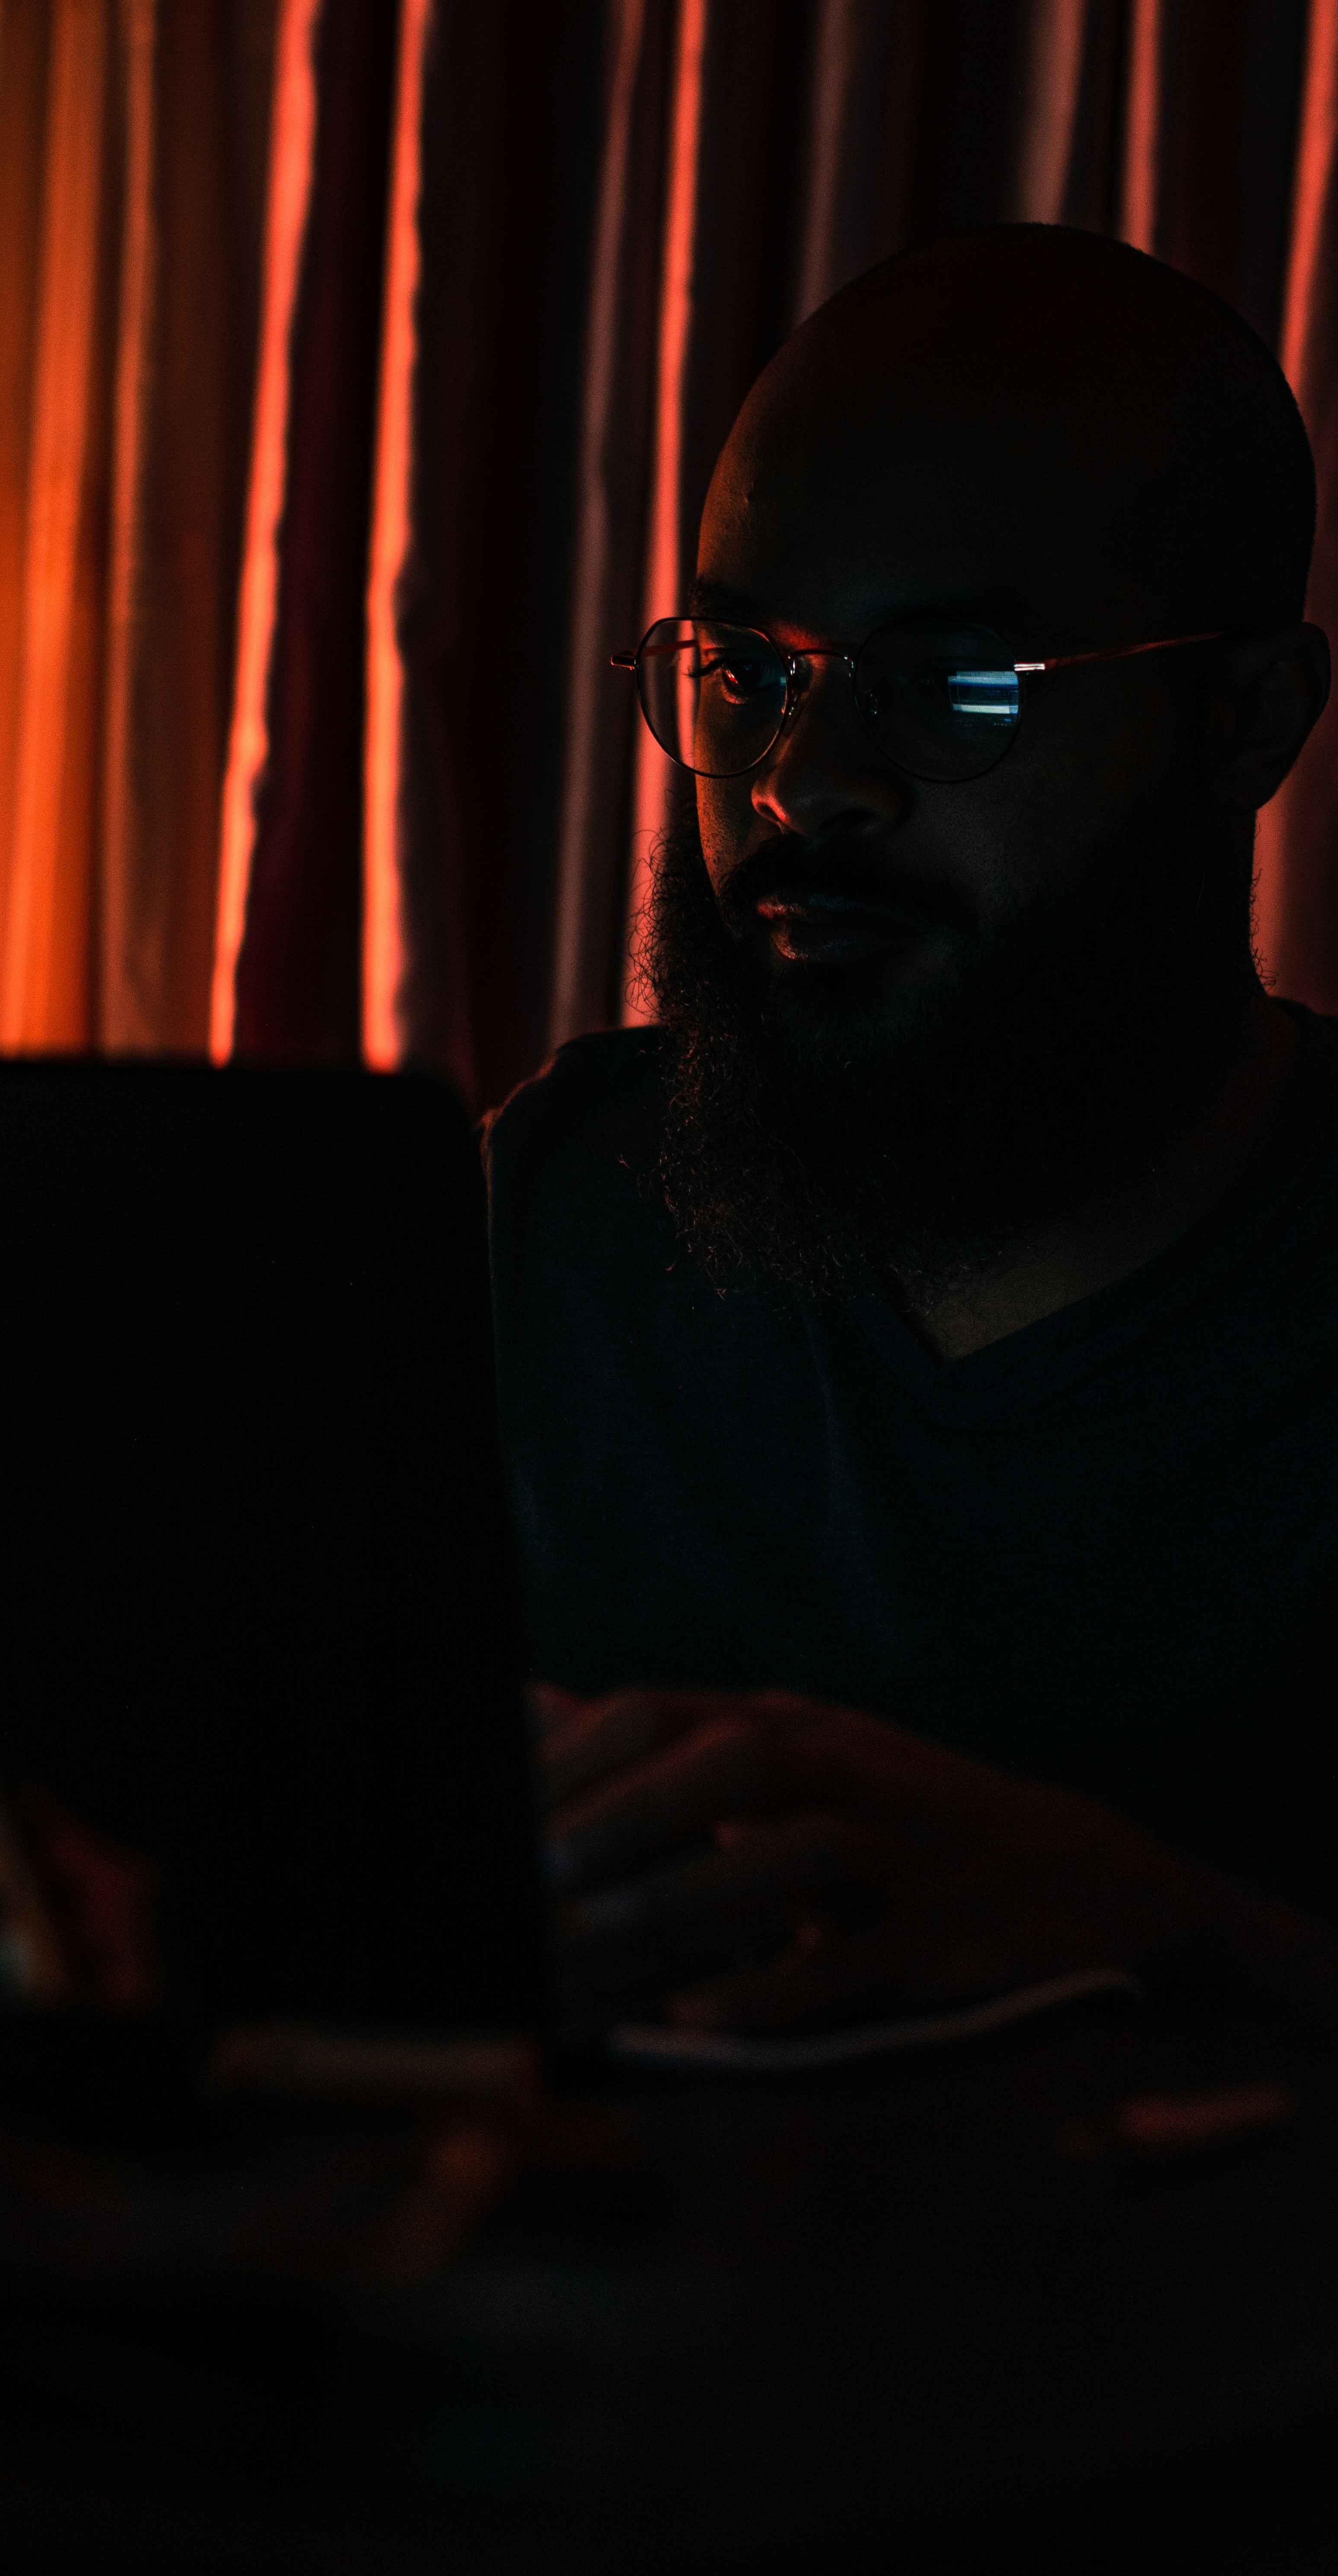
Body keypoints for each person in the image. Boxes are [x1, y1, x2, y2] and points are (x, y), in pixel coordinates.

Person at [484, 224, 1338, 2039]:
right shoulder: (551, 1217)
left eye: (954, 691)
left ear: (1247, 717)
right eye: (744, 672)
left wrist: (1188, 1939)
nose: (803, 781)